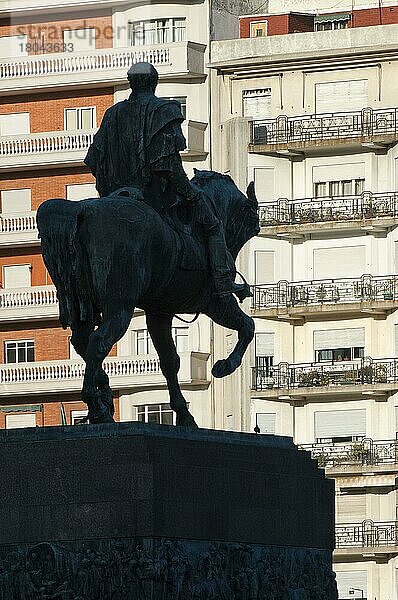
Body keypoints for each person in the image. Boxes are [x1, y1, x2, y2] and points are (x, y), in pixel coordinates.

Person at [84, 62, 251, 301]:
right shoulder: (165, 110)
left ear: (131, 82)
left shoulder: (113, 114)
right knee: (213, 224)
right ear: (154, 82)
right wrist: (190, 192)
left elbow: (93, 160)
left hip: (115, 195)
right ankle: (224, 282)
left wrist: (111, 190)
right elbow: (168, 165)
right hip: (154, 198)